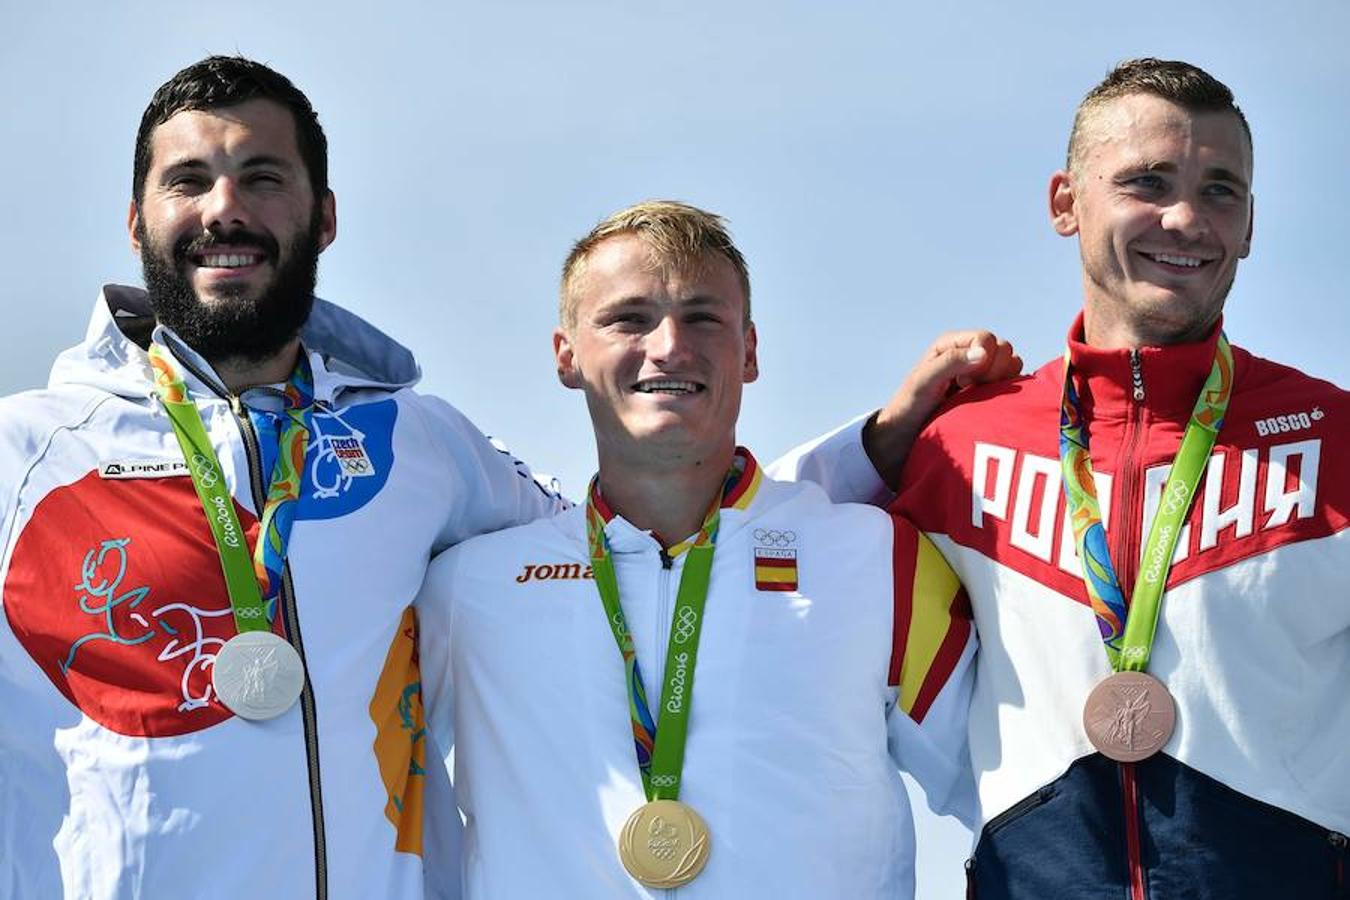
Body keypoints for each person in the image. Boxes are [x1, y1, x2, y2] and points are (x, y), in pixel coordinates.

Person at [0, 58, 1017, 899]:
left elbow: (650, 535)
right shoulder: (21, 457)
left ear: (323, 216)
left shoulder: (421, 449)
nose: (227, 209)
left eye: (264, 177)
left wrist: (870, 456)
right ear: (137, 219)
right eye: (189, 181)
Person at [793, 58, 1350, 898]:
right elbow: (746, 541)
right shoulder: (958, 444)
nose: (1186, 217)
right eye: (1147, 181)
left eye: (1221, 190)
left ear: (1251, 225)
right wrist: (887, 434)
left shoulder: (1335, 436)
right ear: (1065, 203)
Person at [417, 200, 983, 899]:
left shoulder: (876, 559)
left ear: (748, 351)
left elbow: (1009, 787)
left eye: (702, 317)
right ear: (567, 355)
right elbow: (363, 790)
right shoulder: (472, 587)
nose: (668, 346)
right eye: (629, 318)